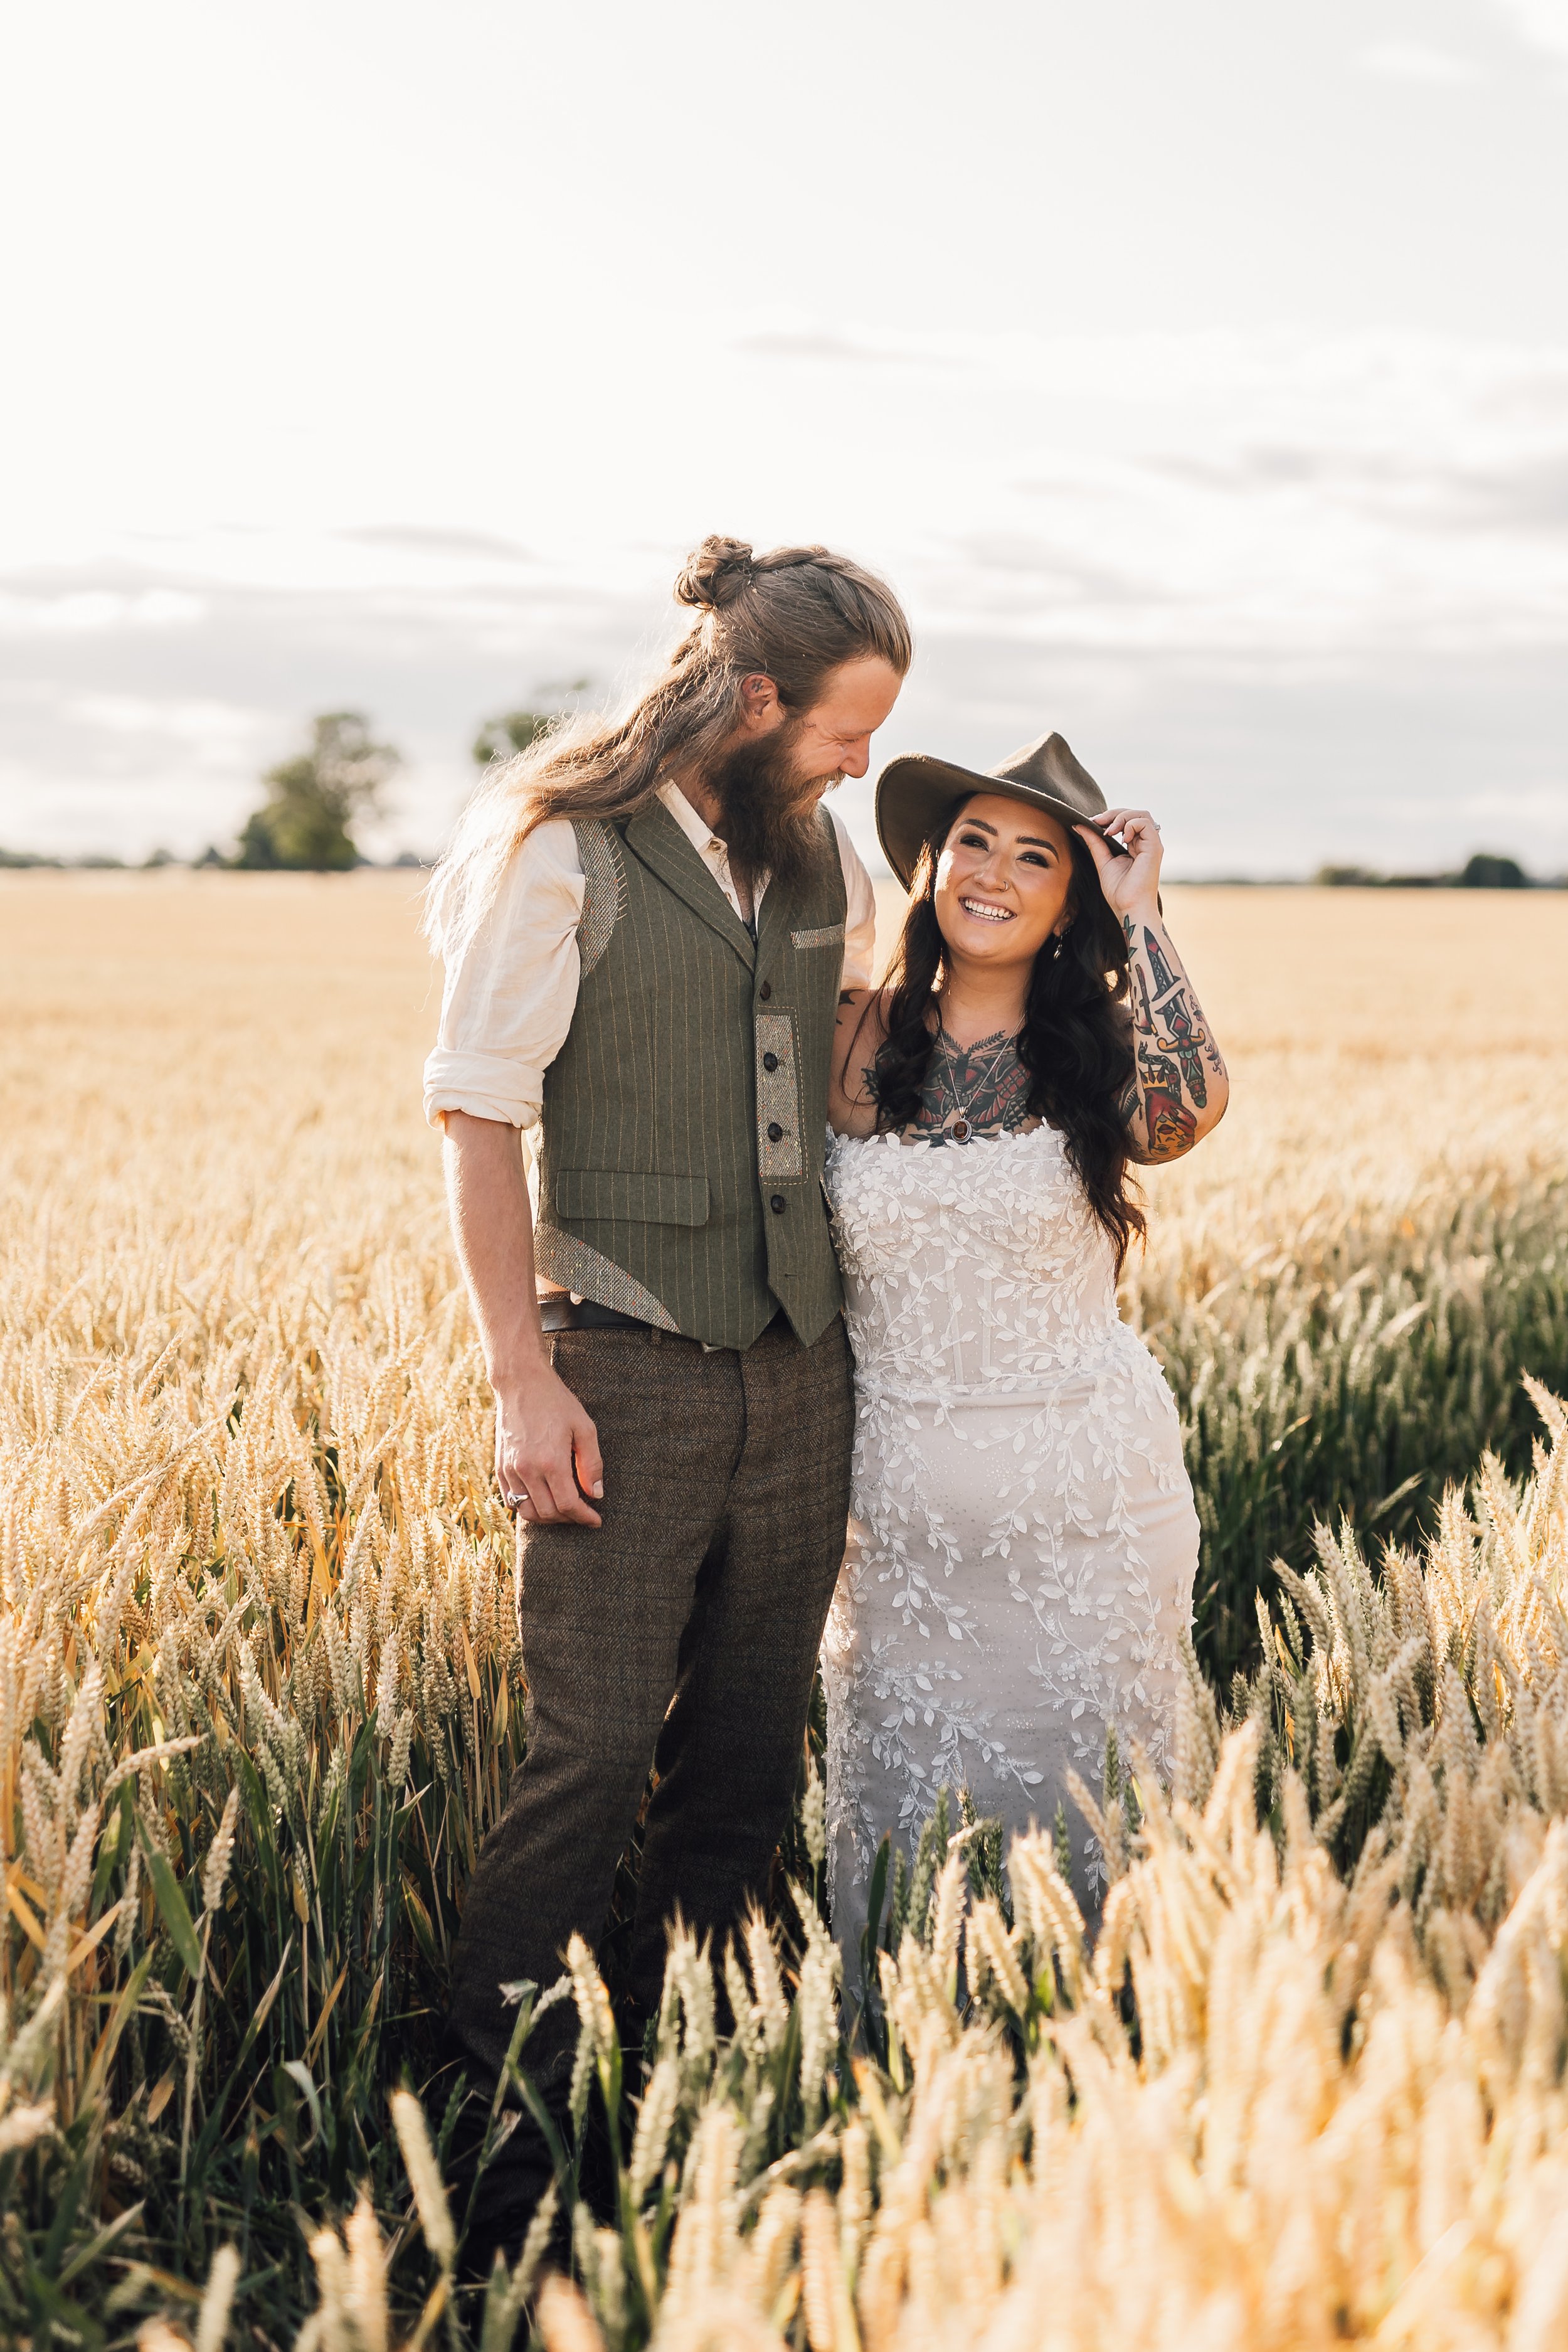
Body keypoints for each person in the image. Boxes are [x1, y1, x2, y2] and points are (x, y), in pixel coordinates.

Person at [421, 534, 909, 2260]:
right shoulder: (566, 845)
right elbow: (480, 1119)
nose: (862, 763)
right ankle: (501, 2161)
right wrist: (522, 1378)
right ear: (759, 698)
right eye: (848, 730)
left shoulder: (821, 849)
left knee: (738, 1769)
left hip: (802, 1369)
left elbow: (842, 1084)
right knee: (586, 1758)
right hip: (620, 1356)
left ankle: (679, 2120)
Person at [822, 730, 1227, 1966]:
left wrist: (1139, 910)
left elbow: (1189, 1110)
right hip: (896, 1530)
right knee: (905, 1864)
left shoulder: (1100, 1058)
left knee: (1096, 1845)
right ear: (929, 868)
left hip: (1090, 1521)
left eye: (1033, 858)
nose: (990, 874)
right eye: (971, 844)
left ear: (1067, 902)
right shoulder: (846, 1036)